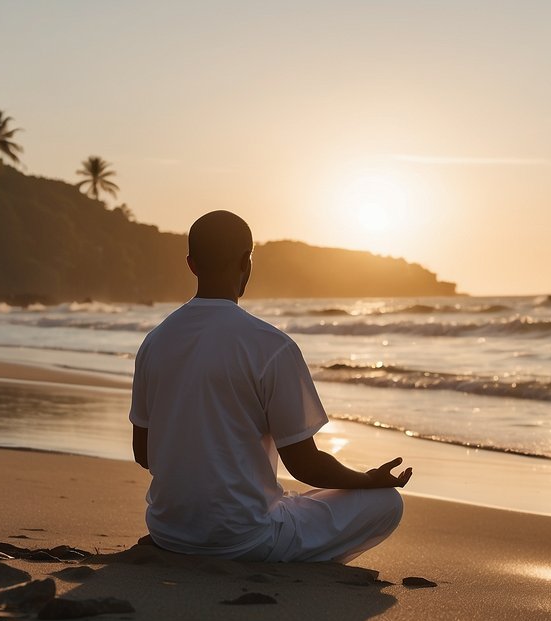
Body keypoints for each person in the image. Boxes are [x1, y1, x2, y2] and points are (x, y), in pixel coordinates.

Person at [129, 210, 412, 564]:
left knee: (288, 498)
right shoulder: (271, 345)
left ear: (191, 265)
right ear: (247, 262)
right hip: (245, 539)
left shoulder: (155, 342)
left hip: (169, 532)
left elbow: (144, 454)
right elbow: (304, 464)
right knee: (387, 503)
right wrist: (368, 479)